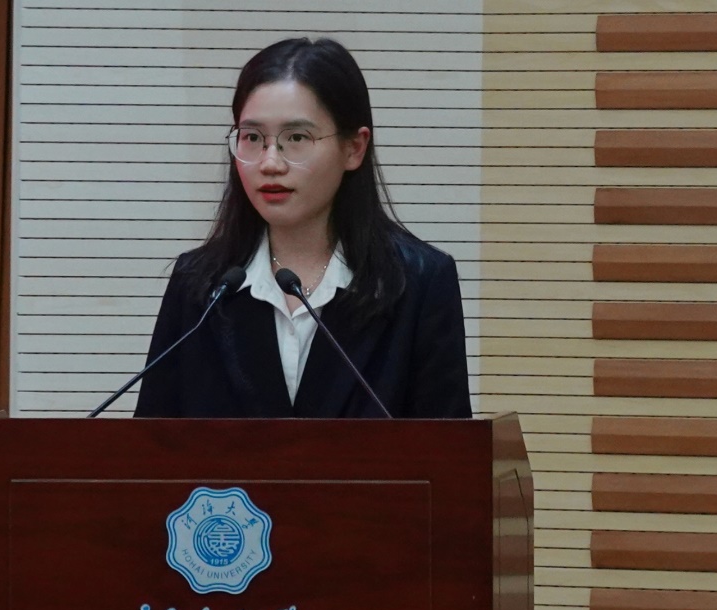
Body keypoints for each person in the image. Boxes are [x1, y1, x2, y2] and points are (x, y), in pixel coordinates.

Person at [134, 37, 471, 419]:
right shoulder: (200, 286)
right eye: (252, 138)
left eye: (296, 138)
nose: (270, 163)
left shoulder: (419, 284)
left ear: (353, 148)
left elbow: (448, 450)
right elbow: (152, 446)